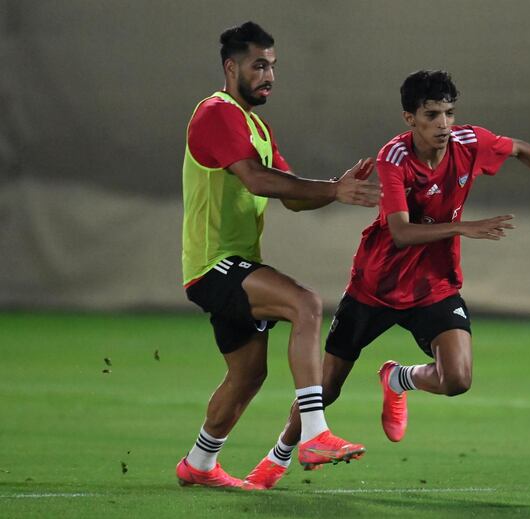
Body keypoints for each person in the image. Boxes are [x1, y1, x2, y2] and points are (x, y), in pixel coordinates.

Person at [269, 69, 530, 485]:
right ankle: (275, 460)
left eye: (450, 113)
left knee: (458, 379)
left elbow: (522, 150)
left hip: (434, 285)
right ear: (409, 118)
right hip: (375, 287)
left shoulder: (469, 143)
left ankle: (398, 377)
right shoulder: (394, 158)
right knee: (326, 390)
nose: (444, 125)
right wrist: (461, 227)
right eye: (432, 114)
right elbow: (400, 232)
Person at [176, 21, 379, 491]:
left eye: (273, 66)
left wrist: (337, 187)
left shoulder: (256, 126)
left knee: (248, 375)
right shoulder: (216, 113)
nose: (269, 75)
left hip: (231, 262)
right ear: (231, 67)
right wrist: (333, 189)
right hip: (213, 264)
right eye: (259, 65)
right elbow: (257, 180)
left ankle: (199, 464)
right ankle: (313, 434)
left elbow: (293, 197)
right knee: (304, 303)